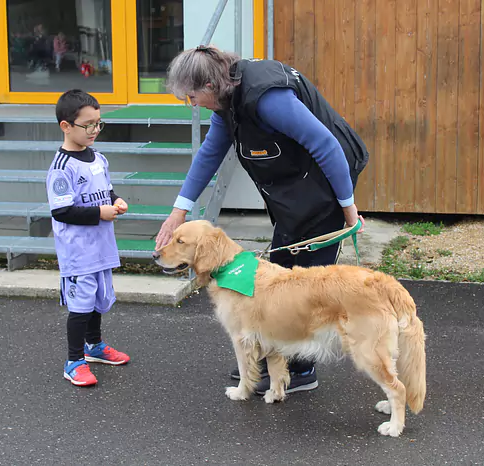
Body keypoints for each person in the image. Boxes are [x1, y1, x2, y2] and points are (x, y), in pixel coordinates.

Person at [155, 46, 369, 395]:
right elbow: (211, 152)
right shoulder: (227, 99)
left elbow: (326, 146)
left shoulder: (268, 99)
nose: (193, 105)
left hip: (327, 182)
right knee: (281, 270)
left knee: (307, 280)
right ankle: (275, 358)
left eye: (192, 97)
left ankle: (300, 370)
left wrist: (348, 209)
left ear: (210, 84)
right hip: (294, 189)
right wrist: (179, 210)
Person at [48, 89, 131, 386]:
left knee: (98, 299)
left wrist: (116, 201)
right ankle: (74, 361)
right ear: (66, 126)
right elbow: (62, 211)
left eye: (98, 123)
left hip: (101, 247)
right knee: (80, 305)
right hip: (78, 252)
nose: (95, 130)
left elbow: (106, 192)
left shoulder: (99, 158)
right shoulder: (61, 168)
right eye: (88, 125)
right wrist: (100, 213)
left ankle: (94, 346)